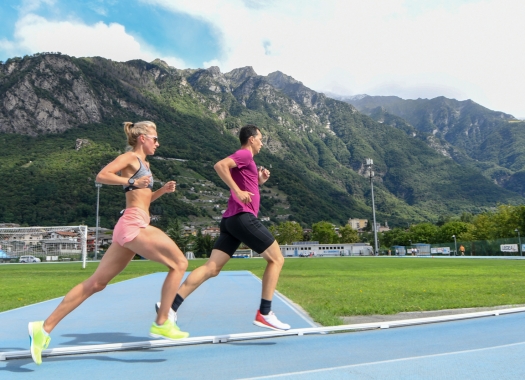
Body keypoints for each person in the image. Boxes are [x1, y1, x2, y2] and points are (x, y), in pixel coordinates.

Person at [28, 121, 189, 365]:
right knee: (179, 263)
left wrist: (161, 192)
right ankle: (163, 321)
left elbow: (142, 199)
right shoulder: (130, 158)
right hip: (134, 225)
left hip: (130, 224)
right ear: (143, 138)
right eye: (155, 138)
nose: (158, 143)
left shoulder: (145, 164)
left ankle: (43, 328)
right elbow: (102, 176)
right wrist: (132, 182)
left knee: (96, 283)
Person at [156, 124, 290, 331]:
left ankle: (170, 307)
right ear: (251, 139)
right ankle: (264, 313)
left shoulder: (249, 162)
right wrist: (236, 191)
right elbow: (220, 166)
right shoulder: (244, 155)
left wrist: (259, 180)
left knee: (212, 268)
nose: (263, 143)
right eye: (261, 139)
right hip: (242, 217)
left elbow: (247, 184)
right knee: (277, 258)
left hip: (230, 221)